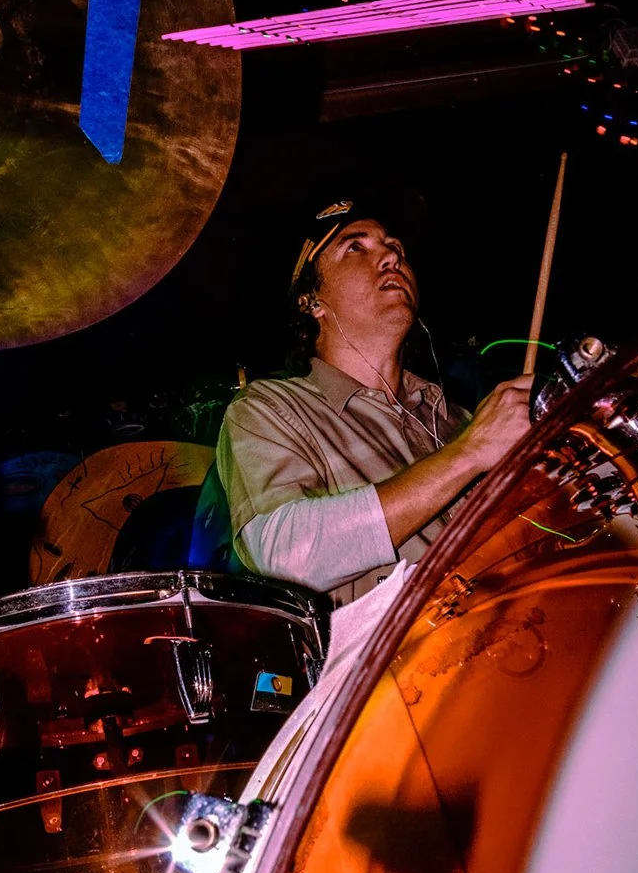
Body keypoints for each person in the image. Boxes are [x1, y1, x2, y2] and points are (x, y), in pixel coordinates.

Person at [215, 193, 533, 606]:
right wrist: (468, 454)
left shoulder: (458, 419)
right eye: (355, 247)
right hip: (392, 664)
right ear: (311, 302)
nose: (390, 259)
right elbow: (285, 554)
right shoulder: (269, 410)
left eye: (395, 248)